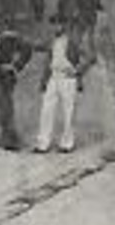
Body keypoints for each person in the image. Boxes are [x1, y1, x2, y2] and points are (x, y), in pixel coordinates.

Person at [35, 15, 91, 153]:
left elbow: (90, 56)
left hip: (68, 78)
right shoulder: (51, 41)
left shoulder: (73, 41)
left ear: (64, 26)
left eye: (59, 24)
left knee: (68, 111)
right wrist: (44, 80)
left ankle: (67, 143)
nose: (56, 27)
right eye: (53, 24)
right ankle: (43, 143)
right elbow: (41, 51)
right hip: (53, 77)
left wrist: (78, 71)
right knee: (46, 110)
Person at [0, 13, 33, 150]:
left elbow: (27, 49)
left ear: (0, 24)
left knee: (6, 107)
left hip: (3, 73)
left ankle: (10, 141)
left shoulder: (9, 38)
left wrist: (16, 66)